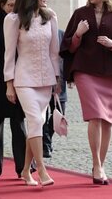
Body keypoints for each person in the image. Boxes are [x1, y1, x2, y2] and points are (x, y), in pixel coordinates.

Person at [60, 0, 112, 185]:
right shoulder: (80, 14)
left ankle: (99, 165)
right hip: (85, 71)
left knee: (107, 121)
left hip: (109, 73)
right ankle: (97, 164)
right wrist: (78, 34)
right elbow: (69, 47)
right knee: (94, 116)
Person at [3, 0, 60, 186]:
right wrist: (9, 83)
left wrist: (57, 79)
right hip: (24, 78)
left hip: (46, 79)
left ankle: (26, 171)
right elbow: (9, 54)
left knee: (37, 123)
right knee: (35, 120)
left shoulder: (50, 16)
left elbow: (54, 52)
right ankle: (42, 170)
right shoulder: (13, 19)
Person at [0, 0, 27, 178]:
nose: (13, 8)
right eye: (10, 5)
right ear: (2, 5)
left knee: (18, 123)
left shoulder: (21, 23)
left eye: (16, 5)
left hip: (15, 79)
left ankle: (24, 167)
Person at [43, 29, 67, 158]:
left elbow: (66, 57)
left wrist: (68, 78)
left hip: (60, 80)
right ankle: (45, 144)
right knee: (41, 115)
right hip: (42, 80)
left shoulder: (60, 33)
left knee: (60, 112)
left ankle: (46, 137)